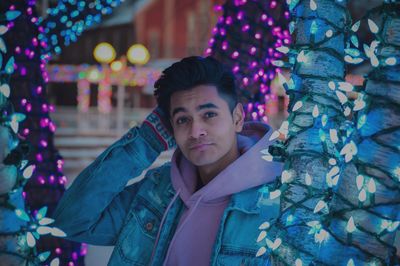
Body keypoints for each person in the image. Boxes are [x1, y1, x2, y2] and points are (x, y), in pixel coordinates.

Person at [52, 56, 283, 266]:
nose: (195, 131)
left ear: (237, 118)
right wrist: (148, 141)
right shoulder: (159, 189)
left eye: (209, 114)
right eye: (183, 119)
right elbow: (71, 222)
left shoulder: (278, 201)